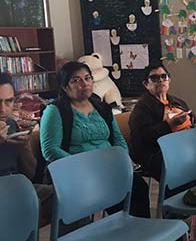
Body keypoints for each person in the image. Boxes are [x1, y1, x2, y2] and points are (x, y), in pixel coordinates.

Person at [40, 61, 150, 218]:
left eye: (87, 78)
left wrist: (121, 160)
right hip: (77, 172)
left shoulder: (101, 107)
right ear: (65, 87)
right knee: (114, 191)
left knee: (138, 186)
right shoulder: (55, 111)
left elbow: (118, 139)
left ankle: (142, 233)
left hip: (108, 167)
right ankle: (124, 231)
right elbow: (50, 150)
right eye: (76, 80)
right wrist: (87, 167)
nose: (84, 83)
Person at [129, 63, 196, 183]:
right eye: (154, 78)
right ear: (146, 84)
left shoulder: (177, 102)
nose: (161, 80)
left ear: (169, 80)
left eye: (164, 76)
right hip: (158, 152)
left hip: (185, 144)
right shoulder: (142, 108)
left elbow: (194, 119)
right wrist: (169, 125)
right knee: (188, 166)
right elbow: (143, 138)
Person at [0, 72, 34, 176]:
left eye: (8, 101)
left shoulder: (11, 124)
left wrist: (25, 148)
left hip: (16, 185)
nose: (3, 109)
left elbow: (31, 174)